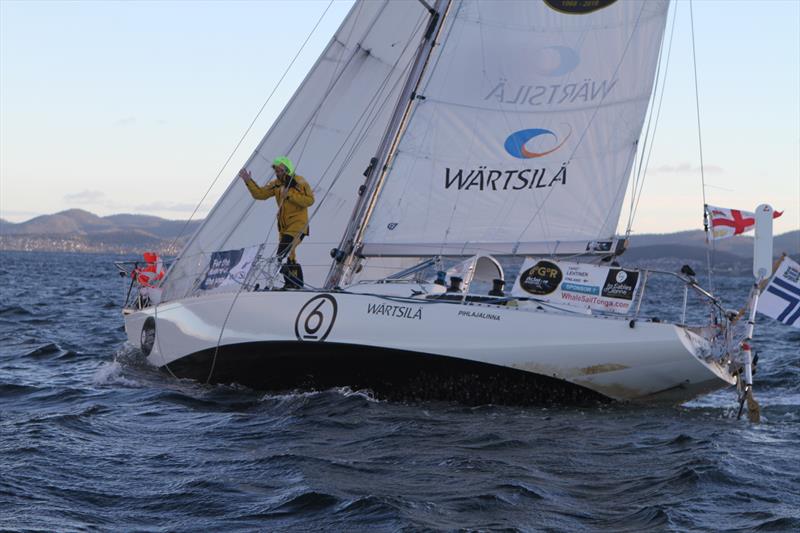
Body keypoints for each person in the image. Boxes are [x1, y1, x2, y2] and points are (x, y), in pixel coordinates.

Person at [239, 156, 314, 289]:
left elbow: (309, 201)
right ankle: (293, 284)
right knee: (288, 255)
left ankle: (293, 283)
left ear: (287, 170)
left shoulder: (300, 182)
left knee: (283, 250)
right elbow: (260, 194)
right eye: (276, 170)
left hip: (298, 225)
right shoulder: (276, 184)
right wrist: (248, 181)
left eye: (280, 170)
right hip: (284, 227)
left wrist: (290, 196)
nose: (277, 173)